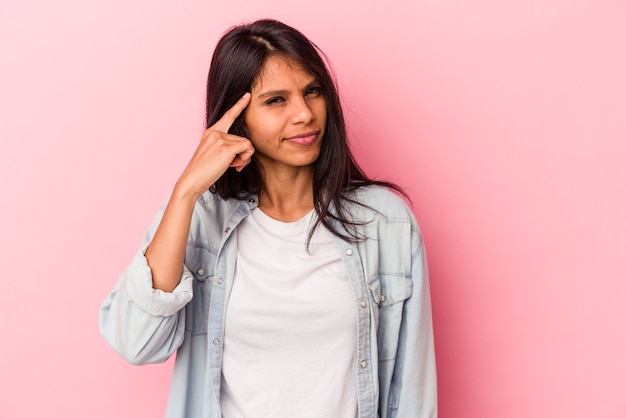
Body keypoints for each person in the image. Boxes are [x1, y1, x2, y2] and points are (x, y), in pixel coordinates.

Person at [99, 18, 437, 418]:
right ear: (235, 116)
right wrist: (186, 190)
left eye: (312, 91)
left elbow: (412, 390)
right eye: (276, 100)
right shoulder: (199, 219)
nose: (304, 114)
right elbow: (135, 342)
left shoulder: (386, 223)